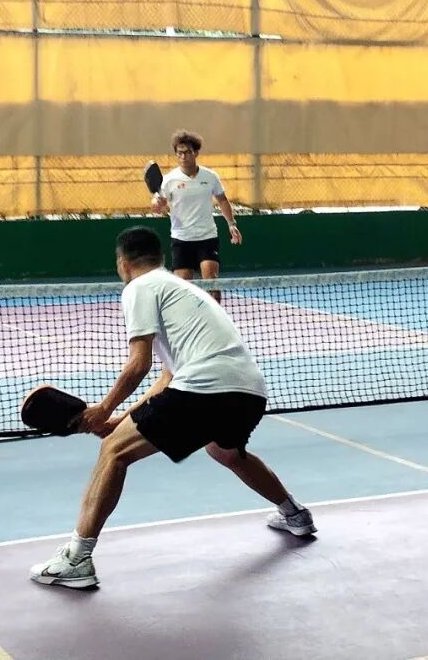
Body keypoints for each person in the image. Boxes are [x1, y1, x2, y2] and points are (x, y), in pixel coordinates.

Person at [29, 226, 315, 588]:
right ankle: (295, 514)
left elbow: (139, 364)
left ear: (123, 263)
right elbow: (168, 378)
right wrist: (120, 419)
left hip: (205, 387)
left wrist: (102, 410)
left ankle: (77, 559)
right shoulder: (182, 289)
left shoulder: (139, 287)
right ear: (161, 257)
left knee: (113, 451)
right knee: (225, 451)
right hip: (249, 391)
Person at [151, 130, 242, 297]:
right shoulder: (169, 180)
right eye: (179, 153)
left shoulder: (210, 176)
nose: (183, 157)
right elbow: (158, 202)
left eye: (187, 152)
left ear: (196, 153)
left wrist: (231, 224)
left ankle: (214, 314)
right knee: (183, 288)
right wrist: (157, 204)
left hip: (207, 237)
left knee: (211, 281)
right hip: (181, 239)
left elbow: (222, 200)